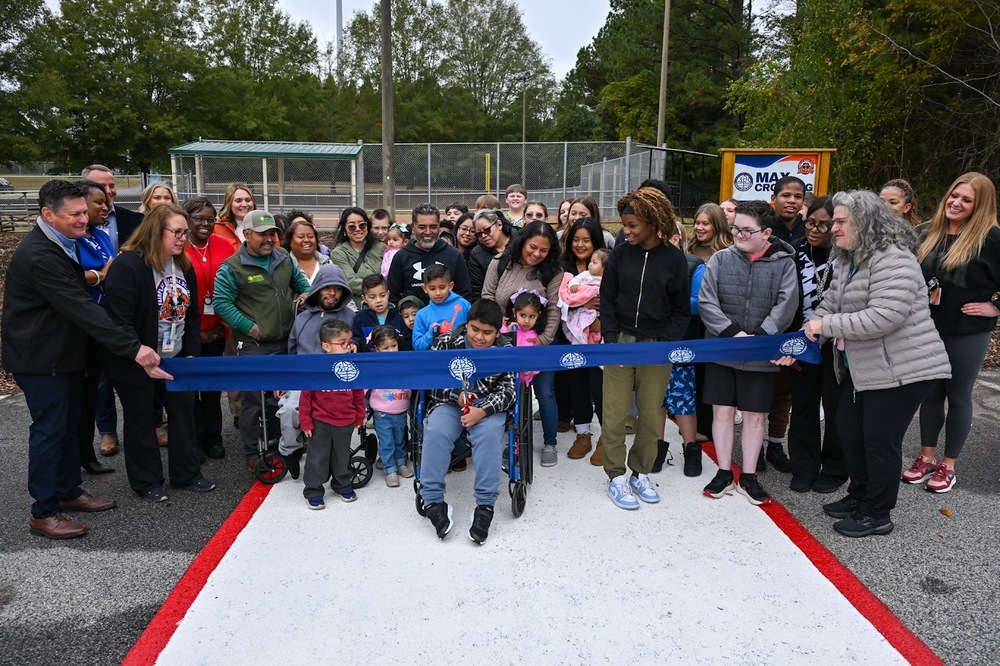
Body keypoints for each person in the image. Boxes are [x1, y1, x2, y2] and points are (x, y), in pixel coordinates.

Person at [3, 181, 165, 539]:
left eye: (83, 211)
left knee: (71, 427)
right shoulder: (39, 254)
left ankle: (68, 491)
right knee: (50, 432)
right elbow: (79, 306)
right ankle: (43, 512)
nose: (84, 218)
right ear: (48, 214)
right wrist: (133, 347)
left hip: (67, 354)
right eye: (75, 213)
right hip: (42, 359)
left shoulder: (63, 242)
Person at [784, 190, 950, 538]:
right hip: (865, 368)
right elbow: (829, 304)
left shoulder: (895, 259)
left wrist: (824, 326)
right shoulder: (847, 258)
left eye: (842, 221)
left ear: (867, 222)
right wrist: (805, 336)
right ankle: (859, 495)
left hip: (904, 370)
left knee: (879, 441)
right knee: (850, 431)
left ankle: (878, 513)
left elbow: (884, 317)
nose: (834, 228)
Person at [104, 203, 215, 502]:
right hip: (135, 358)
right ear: (156, 231)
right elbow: (117, 320)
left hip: (176, 353)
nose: (183, 238)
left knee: (183, 414)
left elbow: (192, 316)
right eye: (177, 232)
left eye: (185, 233)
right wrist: (139, 353)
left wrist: (191, 352)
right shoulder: (128, 266)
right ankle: (147, 481)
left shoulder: (182, 264)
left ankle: (186, 473)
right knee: (141, 419)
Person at [698, 200, 797, 506]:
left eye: (746, 230)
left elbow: (787, 305)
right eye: (735, 228)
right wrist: (731, 333)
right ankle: (725, 471)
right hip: (722, 348)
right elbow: (707, 301)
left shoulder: (785, 263)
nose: (738, 234)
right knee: (723, 411)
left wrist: (760, 337)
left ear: (767, 232)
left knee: (755, 417)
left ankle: (749, 476)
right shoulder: (720, 259)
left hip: (761, 352)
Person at [600, 187, 690, 510]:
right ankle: (615, 476)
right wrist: (610, 341)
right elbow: (607, 300)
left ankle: (640, 472)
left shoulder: (675, 259)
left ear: (653, 222)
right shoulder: (620, 254)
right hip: (621, 342)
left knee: (651, 414)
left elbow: (681, 310)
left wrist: (665, 343)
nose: (627, 231)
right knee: (614, 412)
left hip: (657, 346)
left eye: (633, 225)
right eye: (625, 225)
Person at [910, 172, 1000, 493]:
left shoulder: (990, 239)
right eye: (954, 195)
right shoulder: (926, 233)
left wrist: (996, 307)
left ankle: (948, 466)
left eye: (966, 199)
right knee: (930, 394)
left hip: (967, 332)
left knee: (958, 396)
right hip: (927, 327)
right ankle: (927, 458)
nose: (956, 202)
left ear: (980, 205)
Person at [213, 210, 312, 470]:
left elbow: (300, 282)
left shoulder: (282, 257)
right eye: (262, 234)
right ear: (246, 234)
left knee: (284, 397)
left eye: (272, 234)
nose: (269, 239)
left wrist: (306, 294)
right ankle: (253, 452)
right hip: (254, 346)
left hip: (286, 342)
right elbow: (221, 304)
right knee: (254, 401)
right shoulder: (232, 266)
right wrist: (252, 328)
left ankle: (282, 443)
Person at [419, 300, 517, 545]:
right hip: (451, 401)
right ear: (467, 325)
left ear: (498, 332)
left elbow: (510, 392)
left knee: (488, 435)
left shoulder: (506, 350)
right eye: (475, 329)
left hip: (488, 406)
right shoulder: (445, 342)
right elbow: (430, 381)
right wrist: (456, 395)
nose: (480, 337)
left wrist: (482, 410)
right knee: (436, 429)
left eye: (487, 333)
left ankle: (485, 505)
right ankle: (432, 500)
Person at [482, 221, 563, 466]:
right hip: (506, 340)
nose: (537, 254)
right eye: (533, 247)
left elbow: (554, 309)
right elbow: (487, 296)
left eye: (543, 250)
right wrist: (498, 328)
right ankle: (513, 441)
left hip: (540, 342)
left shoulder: (553, 271)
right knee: (510, 391)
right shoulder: (500, 262)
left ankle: (550, 442)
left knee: (545, 392)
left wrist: (544, 339)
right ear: (523, 241)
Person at [785, 195, 846, 493]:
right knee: (804, 405)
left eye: (825, 224)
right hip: (801, 341)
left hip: (837, 343)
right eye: (811, 222)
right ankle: (804, 466)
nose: (815, 229)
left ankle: (834, 468)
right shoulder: (794, 251)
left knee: (835, 408)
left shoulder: (847, 257)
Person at [183, 196, 235, 460]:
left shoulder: (225, 245)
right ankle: (194, 440)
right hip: (185, 334)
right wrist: (195, 333)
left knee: (212, 390)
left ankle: (214, 438)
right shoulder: (178, 247)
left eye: (210, 219)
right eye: (199, 218)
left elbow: (237, 287)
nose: (205, 223)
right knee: (190, 392)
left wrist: (218, 330)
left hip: (217, 330)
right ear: (187, 220)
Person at [73, 179, 117, 475]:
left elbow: (111, 267)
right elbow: (75, 278)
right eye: (98, 202)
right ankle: (77, 456)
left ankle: (87, 456)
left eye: (106, 201)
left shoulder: (100, 236)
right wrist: (100, 275)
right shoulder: (70, 240)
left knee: (96, 388)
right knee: (81, 393)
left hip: (106, 321)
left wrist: (101, 274)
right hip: (81, 327)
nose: (105, 206)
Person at [299, 320, 366, 510]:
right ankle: (313, 490)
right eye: (342, 342)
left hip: (345, 421)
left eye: (349, 341)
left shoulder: (351, 367)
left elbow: (358, 394)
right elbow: (305, 398)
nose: (349, 345)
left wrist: (359, 417)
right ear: (326, 346)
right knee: (317, 457)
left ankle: (342, 484)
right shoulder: (317, 368)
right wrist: (305, 422)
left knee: (342, 456)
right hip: (319, 422)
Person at [657, 220, 706, 477]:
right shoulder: (648, 264)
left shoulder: (695, 265)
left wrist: (669, 303)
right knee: (655, 399)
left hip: (683, 342)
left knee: (684, 398)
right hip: (653, 342)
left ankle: (691, 449)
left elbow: (700, 303)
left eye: (669, 235)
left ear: (678, 238)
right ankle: (657, 448)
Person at [386, 203, 472, 305]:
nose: (428, 232)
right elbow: (393, 296)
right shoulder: (401, 257)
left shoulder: (454, 255)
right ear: (413, 227)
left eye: (433, 227)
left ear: (439, 227)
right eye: (422, 227)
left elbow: (464, 294)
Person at [367, 325, 414, 487]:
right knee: (387, 441)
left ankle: (401, 463)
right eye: (385, 347)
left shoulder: (403, 362)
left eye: (393, 346)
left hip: (401, 409)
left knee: (400, 439)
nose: (391, 350)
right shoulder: (373, 365)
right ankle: (390, 469)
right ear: (377, 349)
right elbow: (365, 386)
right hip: (382, 412)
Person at [330, 207, 386, 310]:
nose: (358, 229)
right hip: (359, 309)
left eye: (362, 225)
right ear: (344, 229)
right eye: (352, 227)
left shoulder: (381, 247)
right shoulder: (339, 253)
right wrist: (381, 290)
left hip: (385, 307)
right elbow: (351, 282)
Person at [81, 165, 144, 252]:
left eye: (111, 186)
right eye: (101, 186)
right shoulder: (77, 225)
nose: (108, 191)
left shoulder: (136, 220)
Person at [412, 265, 471, 351]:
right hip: (435, 361)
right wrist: (430, 333)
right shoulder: (421, 315)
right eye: (432, 289)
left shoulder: (464, 305)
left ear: (450, 286)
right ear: (424, 288)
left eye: (442, 287)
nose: (438, 293)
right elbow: (417, 346)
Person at [502, 289, 546, 384]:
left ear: (538, 316)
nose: (526, 321)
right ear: (514, 313)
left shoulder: (535, 337)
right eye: (522, 315)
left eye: (531, 316)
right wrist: (508, 333)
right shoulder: (505, 327)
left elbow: (538, 358)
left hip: (521, 382)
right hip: (502, 379)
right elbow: (497, 347)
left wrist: (533, 369)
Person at [469, 209, 513, 300]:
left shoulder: (520, 241)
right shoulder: (477, 254)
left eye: (487, 230)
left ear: (499, 224)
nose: (484, 236)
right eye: (479, 234)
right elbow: (477, 290)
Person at [352, 273, 403, 350]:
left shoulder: (398, 317)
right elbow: (357, 338)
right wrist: (355, 344)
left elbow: (406, 342)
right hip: (370, 360)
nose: (378, 300)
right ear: (364, 298)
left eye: (382, 295)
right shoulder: (360, 318)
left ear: (388, 294)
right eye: (372, 297)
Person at [283, 217, 330, 285]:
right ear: (290, 241)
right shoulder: (284, 265)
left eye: (310, 237)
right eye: (301, 237)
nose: (306, 240)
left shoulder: (327, 262)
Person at [214, 182, 257, 252]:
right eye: (238, 201)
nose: (244, 204)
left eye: (248, 200)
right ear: (229, 204)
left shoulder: (264, 224)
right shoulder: (216, 227)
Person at [768, 176, 807, 245]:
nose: (792, 201)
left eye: (798, 197)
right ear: (773, 198)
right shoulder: (762, 227)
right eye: (786, 195)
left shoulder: (808, 229)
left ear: (803, 201)